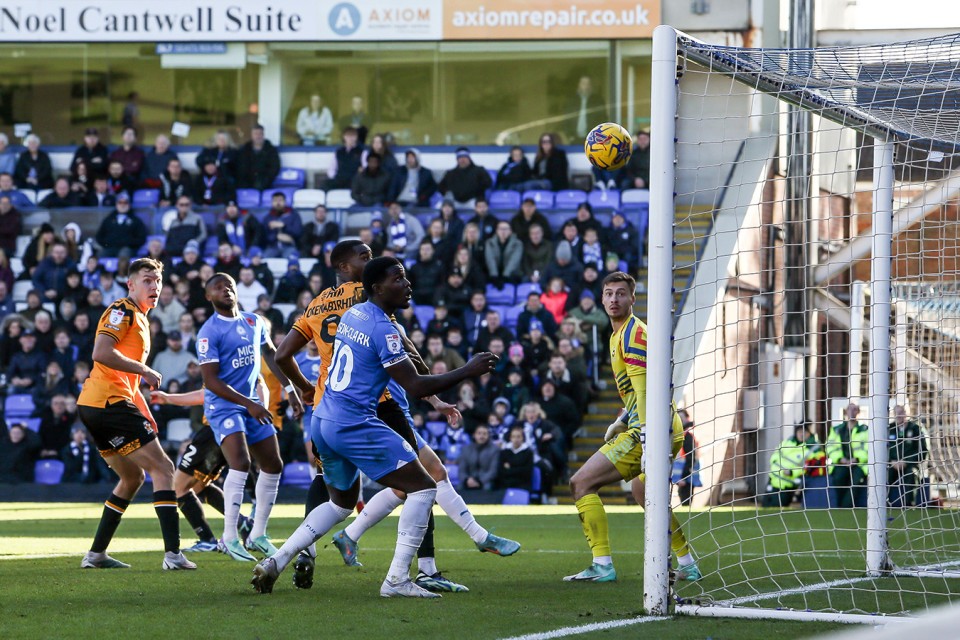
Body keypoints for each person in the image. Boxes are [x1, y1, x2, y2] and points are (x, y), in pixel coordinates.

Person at [255, 253, 507, 598]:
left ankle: (277, 560)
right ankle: (398, 580)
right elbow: (414, 384)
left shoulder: (354, 313)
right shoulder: (383, 328)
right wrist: (467, 369)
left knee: (340, 504)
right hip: (354, 422)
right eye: (397, 279)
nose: (407, 284)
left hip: (324, 420)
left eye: (405, 277)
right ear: (376, 287)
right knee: (424, 486)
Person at [565, 271, 699, 583]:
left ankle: (602, 564)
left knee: (580, 483)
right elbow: (641, 390)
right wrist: (621, 419)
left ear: (633, 299)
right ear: (602, 299)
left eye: (621, 293)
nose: (614, 299)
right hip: (659, 424)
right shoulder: (620, 334)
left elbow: (645, 392)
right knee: (643, 492)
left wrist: (646, 437)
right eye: (609, 293)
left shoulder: (633, 335)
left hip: (652, 428)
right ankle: (687, 563)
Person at [76, 258, 195, 570]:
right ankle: (173, 555)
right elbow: (101, 352)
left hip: (97, 406)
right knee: (164, 469)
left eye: (158, 281)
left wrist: (143, 409)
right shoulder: (122, 310)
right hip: (108, 403)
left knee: (132, 477)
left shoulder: (141, 318)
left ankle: (96, 555)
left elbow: (124, 378)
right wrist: (144, 369)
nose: (155, 286)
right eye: (147, 280)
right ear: (130, 284)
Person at [196, 272, 303, 561]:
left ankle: (258, 534)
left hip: (251, 403)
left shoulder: (254, 322)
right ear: (208, 296)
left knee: (273, 464)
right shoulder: (209, 332)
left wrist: (290, 390)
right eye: (218, 287)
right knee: (241, 463)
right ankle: (230, 537)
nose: (226, 290)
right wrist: (249, 404)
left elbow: (272, 356)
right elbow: (211, 381)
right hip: (224, 406)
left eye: (229, 285)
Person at [149, 387, 259, 552]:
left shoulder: (220, 372)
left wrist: (168, 398)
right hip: (231, 430)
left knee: (178, 486)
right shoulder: (250, 374)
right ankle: (242, 523)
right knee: (198, 486)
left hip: (213, 430)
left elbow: (204, 395)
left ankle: (207, 539)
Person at [827, 403, 869, 508]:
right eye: (849, 409)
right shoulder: (836, 429)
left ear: (858, 412)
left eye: (854, 409)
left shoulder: (865, 429)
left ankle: (846, 506)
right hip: (841, 463)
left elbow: (869, 448)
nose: (852, 412)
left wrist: (857, 459)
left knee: (856, 481)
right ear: (846, 411)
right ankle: (839, 506)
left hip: (859, 464)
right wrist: (840, 459)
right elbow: (830, 447)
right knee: (838, 478)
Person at [763, 423, 812, 508]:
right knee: (765, 507)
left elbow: (805, 468)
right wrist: (775, 466)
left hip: (787, 485)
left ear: (808, 434)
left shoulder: (808, 451)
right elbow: (775, 456)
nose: (801, 434)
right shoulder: (786, 443)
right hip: (773, 480)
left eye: (804, 432)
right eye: (800, 432)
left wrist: (791, 472)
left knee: (779, 508)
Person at [888, 404, 928, 508]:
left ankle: (909, 505)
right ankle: (883, 503)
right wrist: (891, 461)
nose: (899, 415)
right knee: (883, 474)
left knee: (911, 473)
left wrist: (906, 461)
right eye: (896, 413)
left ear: (907, 413)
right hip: (892, 463)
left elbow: (923, 451)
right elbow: (883, 449)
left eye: (901, 412)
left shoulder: (916, 429)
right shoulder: (889, 429)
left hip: (910, 464)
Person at [94, 193, 148, 258]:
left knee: (124, 254)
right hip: (110, 247)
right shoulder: (108, 219)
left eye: (125, 202)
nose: (122, 205)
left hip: (127, 248)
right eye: (120, 202)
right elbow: (99, 236)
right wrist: (107, 243)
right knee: (100, 254)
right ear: (116, 204)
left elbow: (142, 238)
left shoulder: (136, 221)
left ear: (129, 205)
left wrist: (129, 243)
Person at [236, 124, 281, 190]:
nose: (258, 136)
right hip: (247, 180)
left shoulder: (271, 150)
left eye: (260, 134)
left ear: (263, 135)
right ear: (252, 135)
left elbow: (275, 167)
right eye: (255, 134)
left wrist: (266, 178)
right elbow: (241, 166)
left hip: (264, 181)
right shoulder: (245, 149)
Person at [458, 424, 499, 491]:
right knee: (459, 487)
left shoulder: (494, 450)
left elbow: (493, 471)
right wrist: (467, 480)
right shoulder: (466, 449)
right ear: (474, 435)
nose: (481, 436)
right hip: (469, 480)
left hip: (485, 481)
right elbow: (461, 470)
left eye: (484, 434)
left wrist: (480, 481)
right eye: (479, 433)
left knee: (487, 487)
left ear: (488, 436)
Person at [484, 221, 524, 288]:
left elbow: (514, 261)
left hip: (511, 274)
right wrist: (494, 276)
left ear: (510, 231)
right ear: (497, 231)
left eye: (505, 229)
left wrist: (505, 276)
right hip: (494, 274)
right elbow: (490, 260)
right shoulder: (489, 242)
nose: (503, 231)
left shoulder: (518, 243)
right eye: (500, 229)